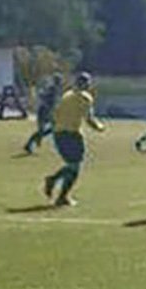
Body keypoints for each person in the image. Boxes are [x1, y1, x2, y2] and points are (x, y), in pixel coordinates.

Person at [43, 72, 106, 207]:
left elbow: (55, 114)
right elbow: (89, 119)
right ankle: (59, 192)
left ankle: (56, 185)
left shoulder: (66, 95)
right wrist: (100, 127)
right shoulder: (85, 98)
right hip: (71, 134)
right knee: (75, 167)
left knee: (72, 165)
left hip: (58, 134)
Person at [22, 74, 63, 154]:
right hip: (44, 111)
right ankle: (30, 144)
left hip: (49, 112)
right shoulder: (52, 89)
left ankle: (36, 141)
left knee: (53, 129)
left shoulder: (57, 89)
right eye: (58, 80)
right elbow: (43, 97)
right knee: (44, 130)